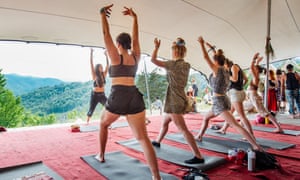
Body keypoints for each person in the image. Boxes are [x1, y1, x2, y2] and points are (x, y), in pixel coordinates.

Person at [98, 5, 161, 180]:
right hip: (134, 97)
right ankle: (157, 177)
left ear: (118, 44)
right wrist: (135, 18)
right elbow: (136, 38)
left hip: (118, 96)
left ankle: (101, 155)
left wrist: (103, 15)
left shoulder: (115, 57)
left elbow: (105, 35)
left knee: (103, 125)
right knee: (143, 138)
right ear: (129, 44)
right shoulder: (136, 56)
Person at [194, 36, 262, 151]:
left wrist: (201, 44)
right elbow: (218, 58)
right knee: (206, 118)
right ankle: (199, 136)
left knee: (235, 124)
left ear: (216, 62)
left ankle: (255, 145)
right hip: (221, 100)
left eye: (214, 60)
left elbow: (206, 57)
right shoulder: (226, 70)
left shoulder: (217, 70)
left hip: (220, 102)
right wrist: (212, 49)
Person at [150, 37, 205, 164]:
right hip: (178, 97)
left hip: (174, 99)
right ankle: (158, 141)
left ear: (174, 52)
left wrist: (156, 48)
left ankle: (198, 156)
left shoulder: (172, 64)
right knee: (165, 123)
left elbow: (153, 59)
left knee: (183, 129)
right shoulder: (186, 65)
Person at [217, 58, 254, 137]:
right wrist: (240, 87)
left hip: (236, 93)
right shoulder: (236, 67)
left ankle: (251, 135)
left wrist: (226, 75)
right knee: (230, 113)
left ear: (226, 63)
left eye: (224, 66)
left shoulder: (233, 67)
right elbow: (246, 79)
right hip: (236, 92)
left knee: (242, 116)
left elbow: (235, 79)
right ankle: (223, 129)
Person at [247, 53, 283, 133]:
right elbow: (254, 68)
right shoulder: (256, 76)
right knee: (242, 113)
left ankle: (278, 127)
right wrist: (257, 61)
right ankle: (244, 129)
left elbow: (252, 68)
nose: (253, 70)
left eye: (255, 69)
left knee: (265, 113)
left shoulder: (256, 77)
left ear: (257, 71)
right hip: (251, 96)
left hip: (254, 96)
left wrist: (254, 58)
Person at [86, 48, 109, 124]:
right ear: (97, 68)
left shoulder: (104, 75)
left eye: (102, 67)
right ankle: (87, 122)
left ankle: (107, 121)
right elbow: (91, 64)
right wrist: (91, 53)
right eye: (100, 67)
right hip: (94, 95)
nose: (102, 68)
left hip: (102, 95)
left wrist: (106, 55)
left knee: (109, 106)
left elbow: (108, 66)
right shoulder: (94, 75)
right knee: (91, 109)